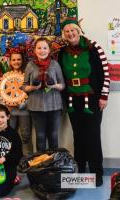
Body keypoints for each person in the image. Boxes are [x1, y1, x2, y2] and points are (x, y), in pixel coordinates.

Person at [58, 19, 110, 187]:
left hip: (93, 100)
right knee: (78, 136)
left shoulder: (94, 48)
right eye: (67, 31)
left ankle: (97, 172)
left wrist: (104, 96)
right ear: (64, 34)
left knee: (93, 136)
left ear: (79, 30)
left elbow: (105, 73)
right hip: (73, 100)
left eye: (73, 30)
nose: (70, 33)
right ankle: (80, 169)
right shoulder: (62, 52)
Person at [23, 37, 65, 152]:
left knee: (53, 136)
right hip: (36, 106)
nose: (42, 51)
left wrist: (54, 85)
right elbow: (24, 86)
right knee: (40, 136)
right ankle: (41, 163)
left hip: (54, 105)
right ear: (35, 50)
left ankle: (53, 162)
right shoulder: (30, 65)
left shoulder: (55, 64)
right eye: (39, 48)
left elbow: (62, 85)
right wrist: (32, 87)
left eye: (45, 48)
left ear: (49, 50)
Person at [6, 51, 33, 156]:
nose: (16, 62)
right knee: (9, 136)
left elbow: (32, 95)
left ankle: (28, 160)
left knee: (25, 136)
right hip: (10, 112)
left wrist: (22, 105)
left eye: (19, 59)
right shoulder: (6, 76)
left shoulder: (27, 75)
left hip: (24, 111)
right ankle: (11, 159)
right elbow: (2, 93)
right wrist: (6, 106)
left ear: (22, 61)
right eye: (14, 59)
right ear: (10, 61)